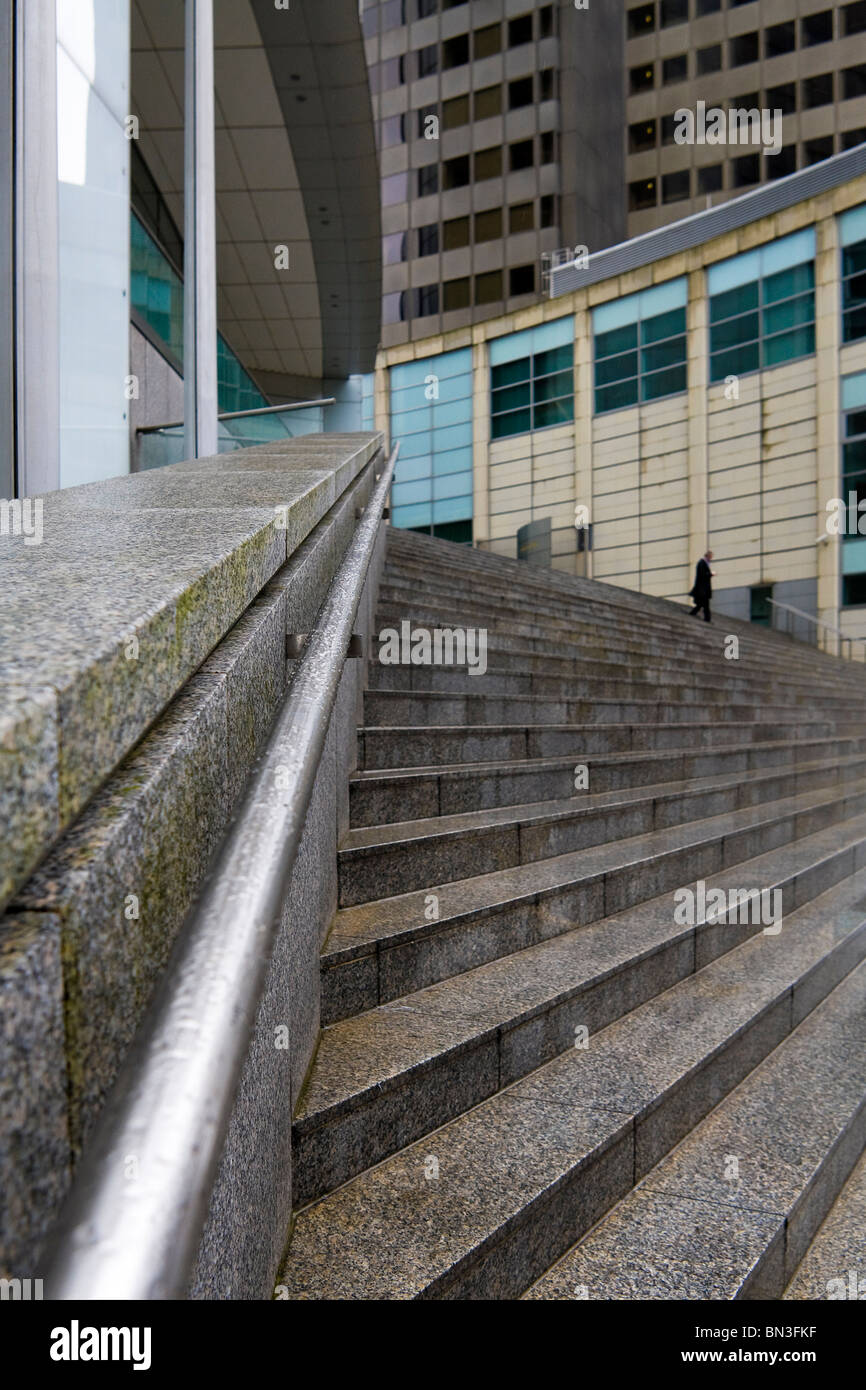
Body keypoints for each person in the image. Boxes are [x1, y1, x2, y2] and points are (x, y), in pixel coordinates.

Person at [689, 550, 714, 623]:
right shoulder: (702, 563)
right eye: (711, 556)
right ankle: (707, 619)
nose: (711, 558)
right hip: (702, 588)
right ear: (708, 556)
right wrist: (710, 574)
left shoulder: (704, 563)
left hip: (703, 588)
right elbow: (702, 575)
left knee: (701, 604)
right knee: (705, 604)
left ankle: (693, 613)